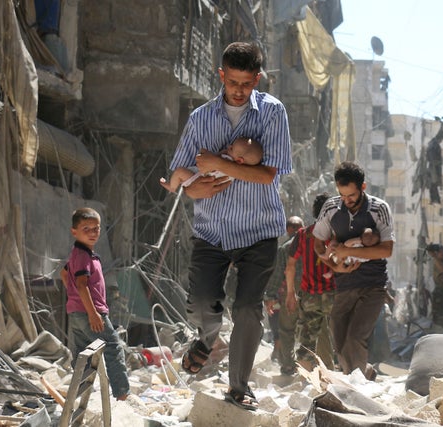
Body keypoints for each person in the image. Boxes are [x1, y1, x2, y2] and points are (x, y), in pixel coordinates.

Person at [165, 41, 291, 412]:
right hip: (212, 230)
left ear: (257, 79)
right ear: (221, 76)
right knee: (204, 302)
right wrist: (192, 185)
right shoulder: (201, 118)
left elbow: (269, 175)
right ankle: (205, 340)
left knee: (249, 309)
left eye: (246, 83)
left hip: (259, 230)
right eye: (233, 81)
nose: (238, 90)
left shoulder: (272, 113)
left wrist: (214, 165)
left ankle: (239, 386)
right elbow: (178, 172)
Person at [313, 161, 394, 381]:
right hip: (345, 284)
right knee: (339, 340)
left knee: (355, 338)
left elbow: (386, 250)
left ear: (363, 187)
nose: (347, 201)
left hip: (373, 285)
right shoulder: (330, 207)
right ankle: (364, 372)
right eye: (343, 195)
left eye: (352, 196)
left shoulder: (379, 208)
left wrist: (344, 250)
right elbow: (318, 242)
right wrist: (334, 264)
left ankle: (356, 388)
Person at [63, 208, 130, 401]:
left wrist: (73, 296)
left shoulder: (79, 253)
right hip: (89, 313)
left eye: (96, 228)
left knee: (83, 355)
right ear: (74, 231)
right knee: (113, 346)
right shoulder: (83, 256)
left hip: (77, 313)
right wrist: (93, 314)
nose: (92, 232)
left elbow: (64, 274)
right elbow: (82, 284)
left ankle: (79, 394)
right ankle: (122, 393)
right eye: (86, 228)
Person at [285, 193, 336, 374]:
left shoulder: (303, 234)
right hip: (334, 295)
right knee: (342, 339)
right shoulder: (338, 234)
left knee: (306, 342)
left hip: (310, 296)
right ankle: (342, 382)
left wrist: (290, 293)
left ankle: (305, 385)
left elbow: (290, 265)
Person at [263, 215, 304, 374]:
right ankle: (312, 364)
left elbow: (278, 274)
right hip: (312, 292)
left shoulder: (285, 248)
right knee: (312, 328)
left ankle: (288, 365)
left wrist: (270, 296)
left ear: (288, 230)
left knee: (287, 329)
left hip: (290, 293)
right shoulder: (312, 245)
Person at [160, 137, 263, 193]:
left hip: (198, 178)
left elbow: (212, 167)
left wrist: (212, 156)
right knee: (181, 173)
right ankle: (176, 184)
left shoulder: (228, 166)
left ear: (240, 160)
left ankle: (172, 187)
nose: (228, 147)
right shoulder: (236, 171)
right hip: (198, 177)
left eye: (231, 148)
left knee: (179, 171)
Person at [426, 243, 443, 327]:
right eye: (442, 252)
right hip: (440, 291)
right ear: (436, 253)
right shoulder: (437, 261)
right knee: (440, 314)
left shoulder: (442, 262)